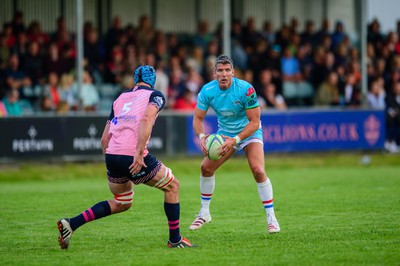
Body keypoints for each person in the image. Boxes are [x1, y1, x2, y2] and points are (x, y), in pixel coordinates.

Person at [57, 65, 194, 249]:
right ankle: (175, 240)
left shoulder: (120, 98)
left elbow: (104, 139)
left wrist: (111, 163)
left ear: (135, 79)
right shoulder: (156, 96)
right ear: (152, 80)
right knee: (172, 186)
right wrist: (138, 154)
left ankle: (71, 224)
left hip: (112, 155)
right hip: (132, 153)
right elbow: (146, 119)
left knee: (123, 202)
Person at [190, 55, 281, 233]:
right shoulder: (207, 91)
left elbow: (255, 122)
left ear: (233, 72)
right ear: (214, 73)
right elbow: (197, 118)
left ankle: (272, 218)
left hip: (249, 132)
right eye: (220, 71)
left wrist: (236, 140)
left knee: (258, 170)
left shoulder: (246, 89)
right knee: (206, 168)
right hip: (225, 134)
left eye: (227, 70)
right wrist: (202, 137)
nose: (223, 74)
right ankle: (204, 213)